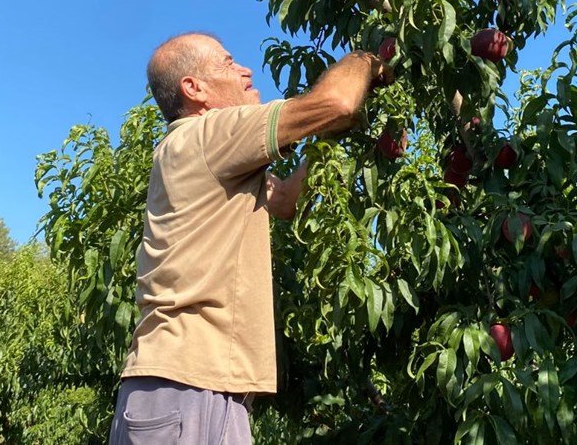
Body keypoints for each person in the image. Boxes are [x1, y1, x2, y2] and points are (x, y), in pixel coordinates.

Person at [108, 32, 390, 445]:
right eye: (227, 62)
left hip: (182, 389)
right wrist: (366, 59)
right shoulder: (209, 134)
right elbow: (338, 102)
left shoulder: (194, 154)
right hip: (189, 386)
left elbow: (287, 201)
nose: (245, 69)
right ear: (194, 88)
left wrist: (325, 137)